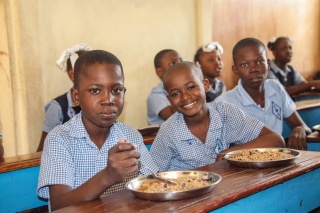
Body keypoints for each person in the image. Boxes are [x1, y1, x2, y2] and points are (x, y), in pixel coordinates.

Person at [37, 50, 158, 211]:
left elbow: (153, 185)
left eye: (116, 90)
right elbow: (59, 204)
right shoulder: (59, 139)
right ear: (76, 96)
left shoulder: (130, 136)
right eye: (95, 90)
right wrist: (107, 176)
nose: (108, 100)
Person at [149, 61, 285, 172]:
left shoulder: (224, 112)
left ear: (205, 85)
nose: (185, 97)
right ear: (169, 100)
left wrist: (231, 153)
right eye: (175, 94)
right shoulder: (169, 131)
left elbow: (275, 140)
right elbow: (150, 174)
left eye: (191, 87)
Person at [216, 37, 311, 150]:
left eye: (260, 62)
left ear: (268, 64)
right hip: (244, 165)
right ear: (235, 70)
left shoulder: (275, 88)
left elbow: (303, 126)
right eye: (245, 65)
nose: (254, 69)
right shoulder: (225, 103)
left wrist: (299, 129)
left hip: (278, 159)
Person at [36, 43, 92, 152]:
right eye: (87, 72)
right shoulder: (57, 108)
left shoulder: (99, 103)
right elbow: (43, 150)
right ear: (72, 75)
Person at [147, 49, 183, 125]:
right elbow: (174, 118)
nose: (179, 65)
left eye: (181, 61)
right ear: (159, 72)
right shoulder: (156, 95)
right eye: (172, 63)